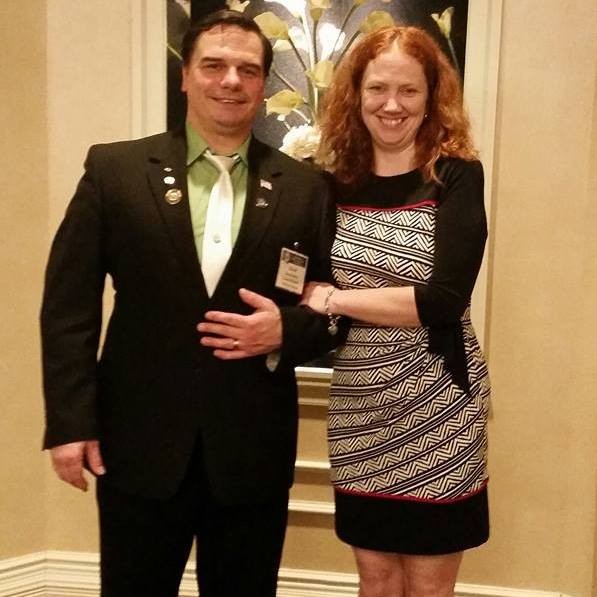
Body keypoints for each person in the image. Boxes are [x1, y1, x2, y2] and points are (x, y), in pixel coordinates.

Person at [40, 10, 338, 597]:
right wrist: (70, 422)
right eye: (213, 65)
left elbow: (333, 309)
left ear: (263, 83)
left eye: (247, 70)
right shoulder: (116, 171)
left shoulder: (307, 189)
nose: (230, 80)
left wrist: (286, 330)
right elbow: (68, 308)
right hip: (138, 444)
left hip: (252, 448)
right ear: (185, 76)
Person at [301, 25, 491, 597]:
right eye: (378, 88)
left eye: (409, 90)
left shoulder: (456, 175)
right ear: (355, 94)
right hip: (359, 408)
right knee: (377, 579)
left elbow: (442, 301)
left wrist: (336, 299)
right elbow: (304, 283)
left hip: (439, 406)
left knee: (429, 587)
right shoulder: (332, 185)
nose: (392, 104)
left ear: (432, 98)